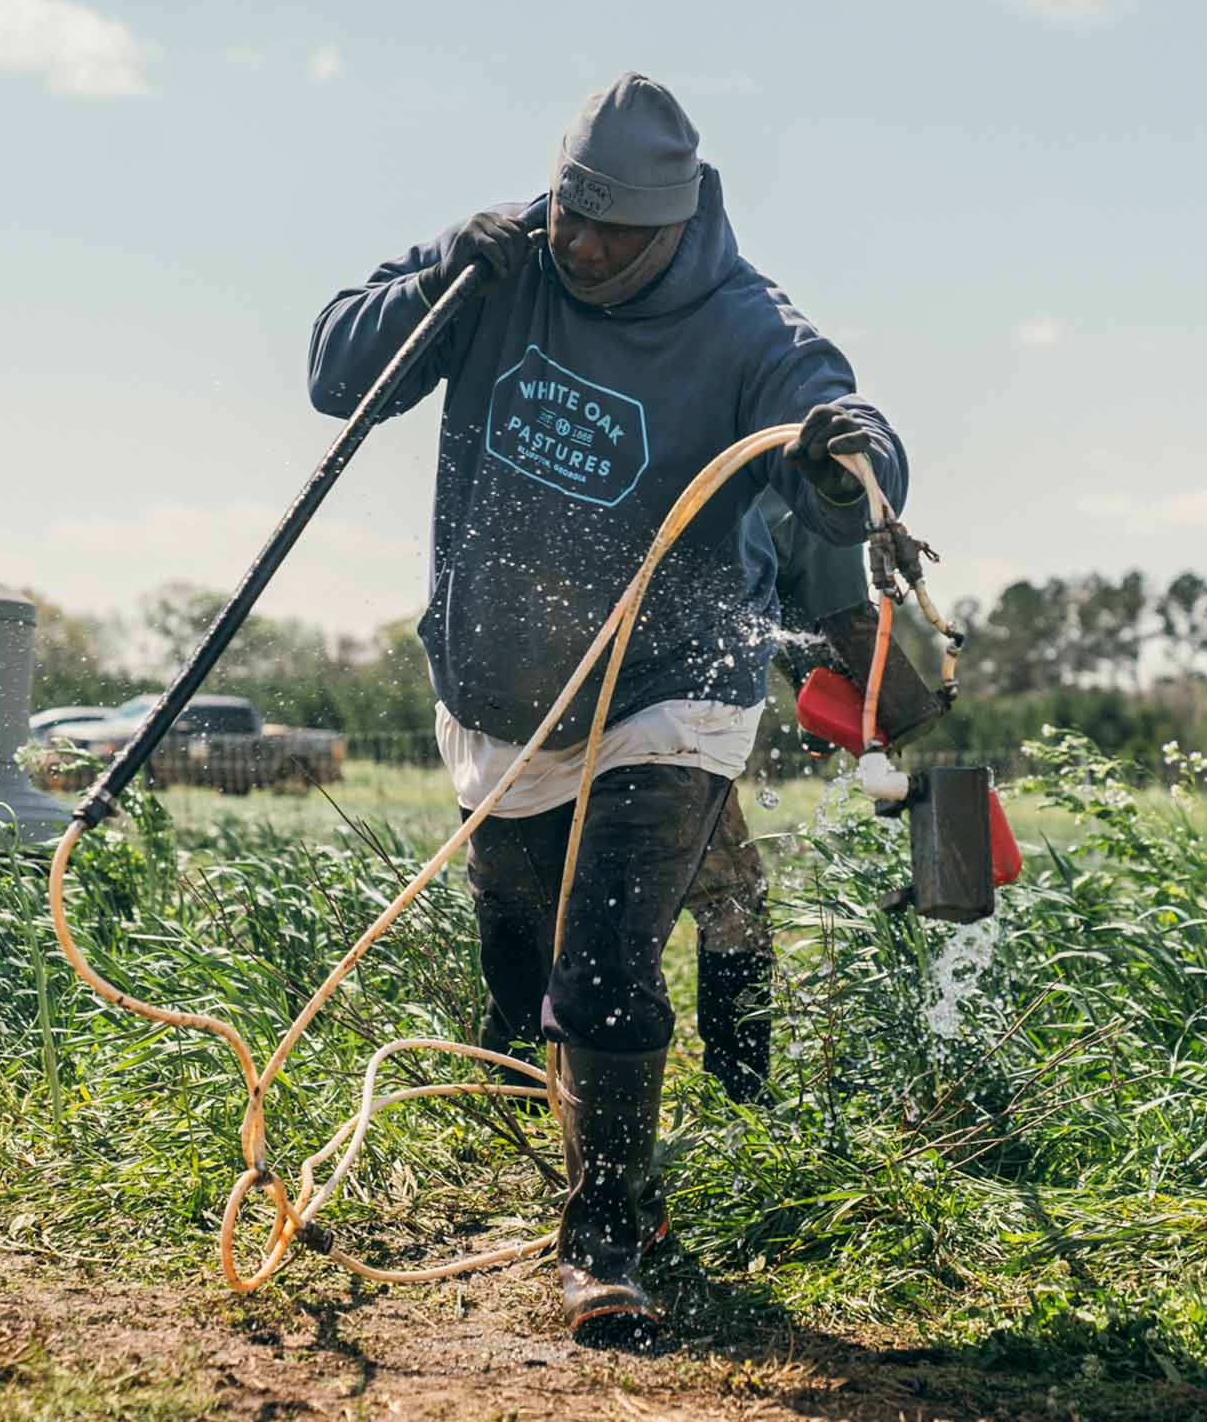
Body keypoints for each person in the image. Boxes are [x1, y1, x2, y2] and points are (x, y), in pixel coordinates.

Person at [305, 72, 907, 1341]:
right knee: (523, 956)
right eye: (570, 219)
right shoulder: (502, 265)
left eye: (611, 235)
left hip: (666, 697)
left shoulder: (750, 328)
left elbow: (850, 429)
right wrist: (429, 283)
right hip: (501, 697)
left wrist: (849, 459)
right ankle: (608, 1176)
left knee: (603, 957)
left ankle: (606, 1241)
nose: (579, 248)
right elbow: (333, 373)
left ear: (675, 224)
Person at [683, 492, 869, 1104]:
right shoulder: (788, 479)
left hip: (510, 705)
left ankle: (515, 1078)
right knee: (730, 901)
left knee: (547, 891)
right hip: (661, 730)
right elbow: (830, 611)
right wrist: (868, 708)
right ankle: (740, 1100)